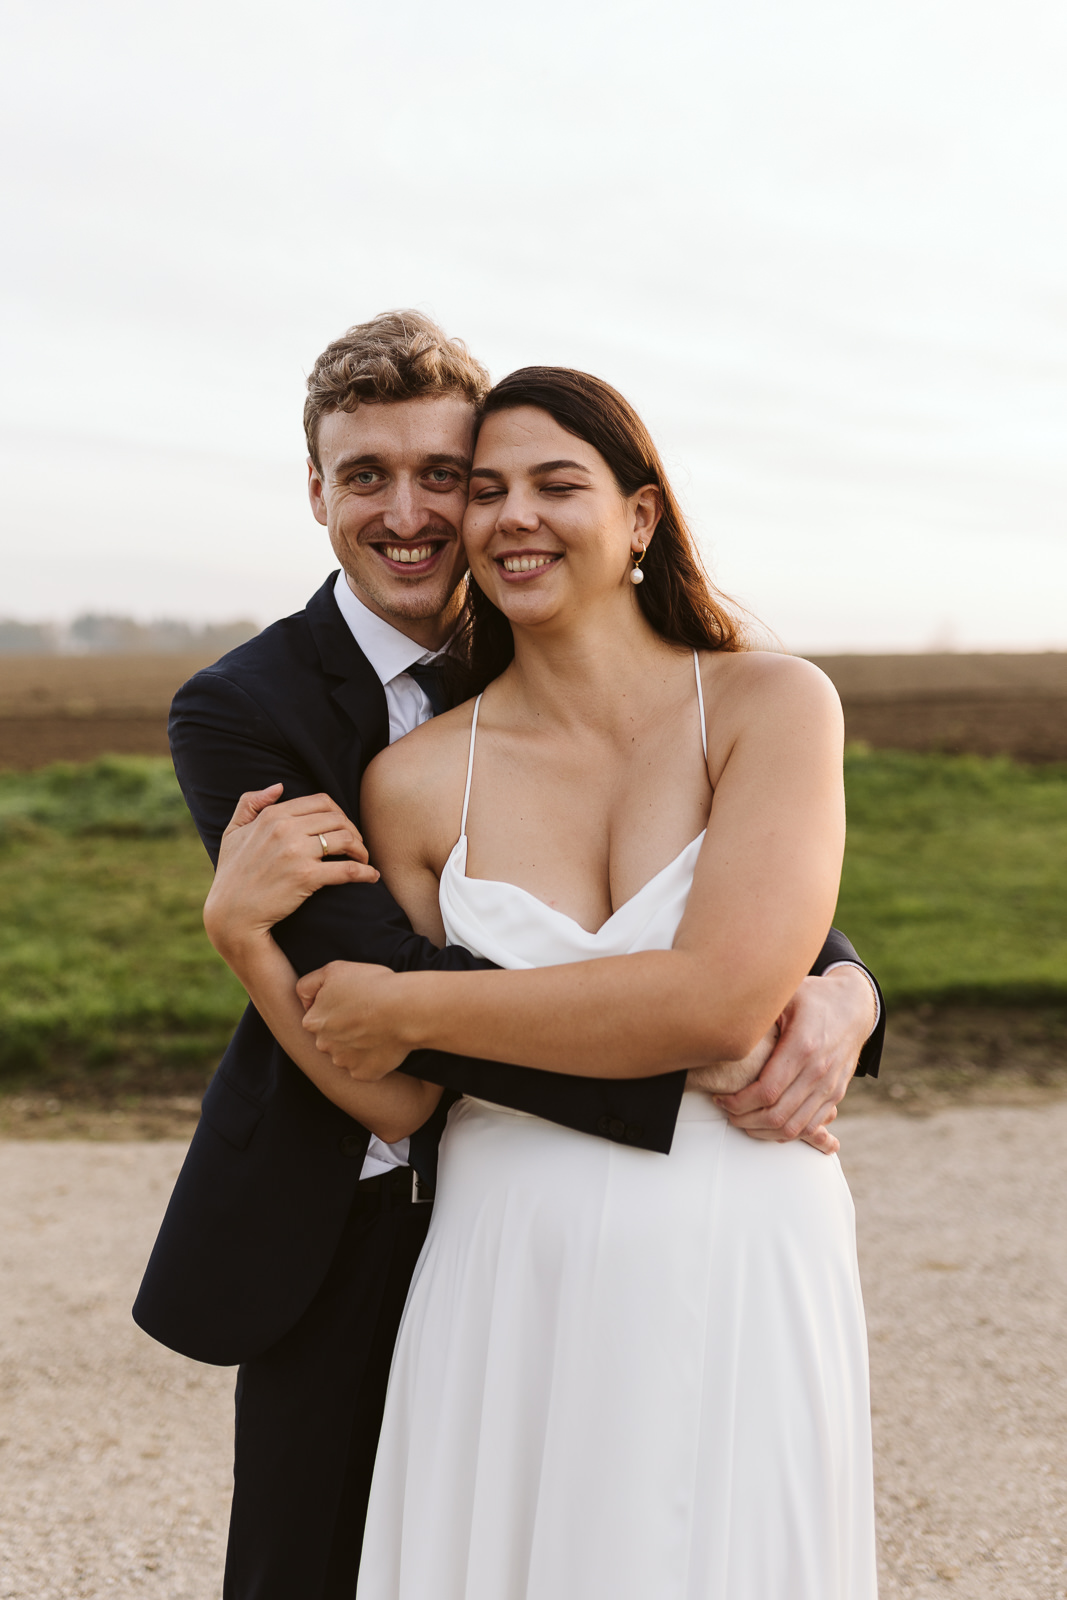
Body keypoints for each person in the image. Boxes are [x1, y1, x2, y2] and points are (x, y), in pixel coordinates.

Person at [134, 313, 884, 1600]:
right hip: (368, 1217)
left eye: (451, 475)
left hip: (726, 1228)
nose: (421, 513)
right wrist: (237, 929)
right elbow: (378, 1020)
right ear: (315, 491)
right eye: (368, 476)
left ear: (636, 518)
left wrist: (843, 986)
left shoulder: (637, 665)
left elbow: (722, 932)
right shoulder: (262, 717)